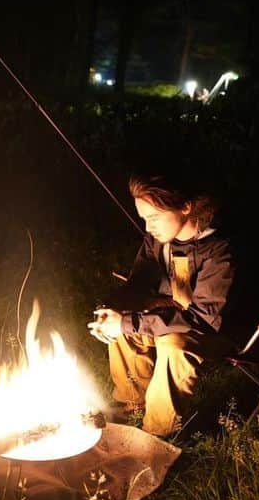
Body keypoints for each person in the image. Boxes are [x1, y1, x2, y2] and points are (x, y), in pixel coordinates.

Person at [87, 172, 236, 435]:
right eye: (144, 219)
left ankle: (156, 433)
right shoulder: (158, 240)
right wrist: (110, 310)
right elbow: (138, 284)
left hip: (220, 328)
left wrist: (126, 322)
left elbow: (202, 319)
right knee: (124, 320)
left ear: (185, 207)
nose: (148, 227)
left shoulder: (218, 249)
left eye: (154, 218)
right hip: (179, 312)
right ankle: (131, 407)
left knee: (172, 343)